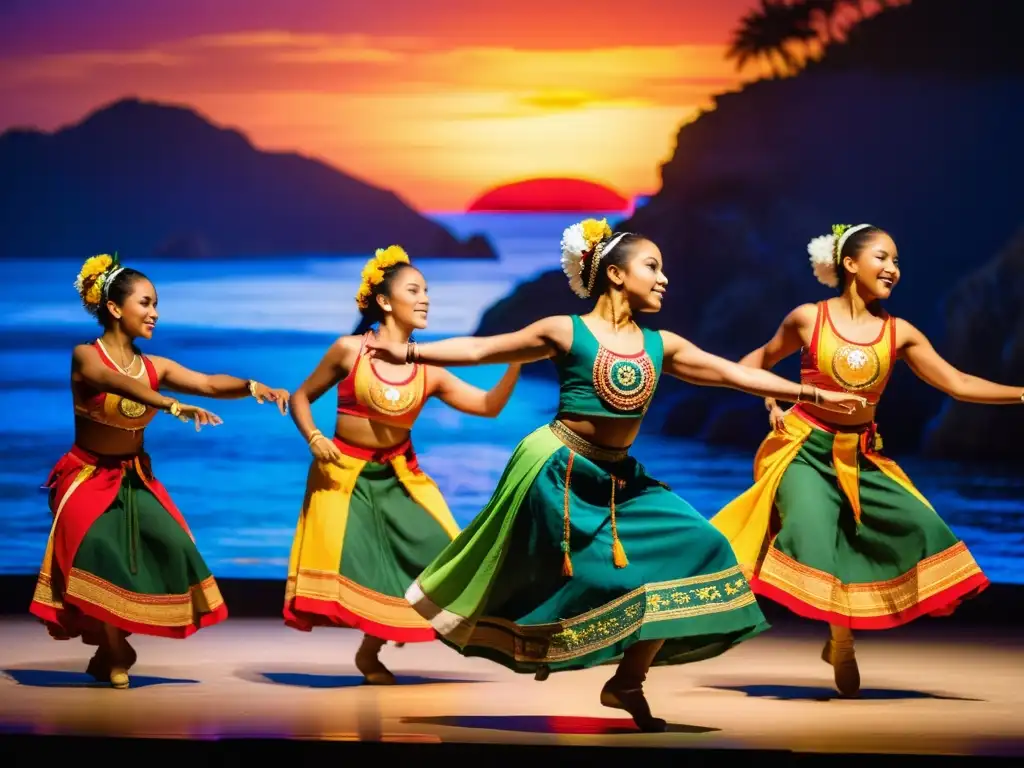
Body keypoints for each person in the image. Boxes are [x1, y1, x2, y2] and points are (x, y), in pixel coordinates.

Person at [363, 219, 865, 730]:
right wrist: (407, 351)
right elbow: (481, 349)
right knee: (572, 579)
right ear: (616, 275)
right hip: (555, 469)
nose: (664, 278)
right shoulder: (564, 330)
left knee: (703, 546)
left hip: (619, 478)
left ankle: (627, 681)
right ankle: (555, 645)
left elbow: (732, 373)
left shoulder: (661, 345)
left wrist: (813, 394)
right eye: (652, 266)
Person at [710, 223, 1011, 698]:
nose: (893, 269)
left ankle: (840, 633)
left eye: (897, 262)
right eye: (883, 258)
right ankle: (842, 640)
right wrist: (770, 401)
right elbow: (754, 363)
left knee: (923, 528)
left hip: (861, 455)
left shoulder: (900, 333)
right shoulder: (808, 319)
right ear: (850, 264)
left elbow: (957, 383)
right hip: (804, 450)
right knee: (810, 535)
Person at [29, 253, 290, 688]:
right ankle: (114, 650)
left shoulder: (155, 367)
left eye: (156, 304)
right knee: (98, 551)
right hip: (86, 478)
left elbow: (207, 383)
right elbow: (116, 383)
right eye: (145, 303)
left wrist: (252, 387)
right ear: (115, 308)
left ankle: (114, 645)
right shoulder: (85, 357)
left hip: (133, 477)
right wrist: (167, 402)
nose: (155, 313)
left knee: (175, 546)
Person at [284, 246, 521, 685]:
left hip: (399, 476)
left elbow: (488, 406)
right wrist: (315, 437)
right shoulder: (348, 351)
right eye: (415, 290)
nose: (426, 298)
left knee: (443, 554)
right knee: (361, 564)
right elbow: (300, 397)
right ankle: (371, 653)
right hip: (343, 476)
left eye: (428, 290)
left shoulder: (429, 367)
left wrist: (516, 363)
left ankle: (369, 652)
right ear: (386, 302)